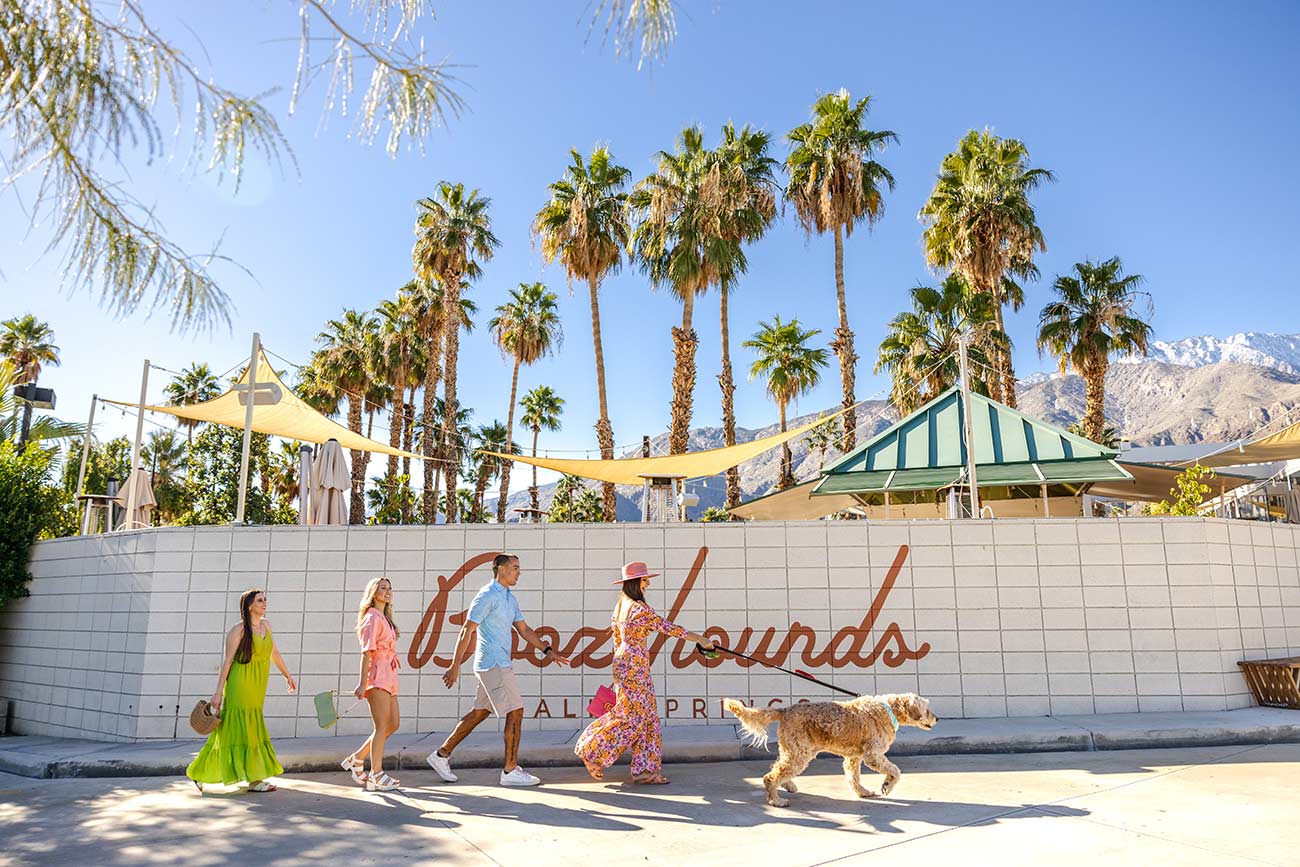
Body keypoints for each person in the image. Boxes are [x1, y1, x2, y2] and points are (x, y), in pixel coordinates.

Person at [427, 553, 571, 787]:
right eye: (515, 568)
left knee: (480, 713)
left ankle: (441, 755)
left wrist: (548, 651)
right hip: (493, 664)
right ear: (501, 569)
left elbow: (524, 630)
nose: (518, 572)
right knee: (516, 711)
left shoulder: (509, 598)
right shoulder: (486, 596)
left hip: (496, 664)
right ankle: (510, 770)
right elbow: (467, 630)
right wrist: (455, 666)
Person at [574, 561, 714, 785]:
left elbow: (616, 640)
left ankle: (644, 770)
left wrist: (620, 666)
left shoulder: (622, 606)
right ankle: (592, 751)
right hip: (635, 666)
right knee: (634, 718)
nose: (648, 583)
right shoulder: (640, 609)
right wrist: (701, 639)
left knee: (645, 718)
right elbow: (668, 628)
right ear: (635, 582)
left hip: (625, 663)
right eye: (645, 579)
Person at [187, 588, 297, 793]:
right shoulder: (238, 630)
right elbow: (227, 662)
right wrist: (218, 692)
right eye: (260, 600)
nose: (265, 603)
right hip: (240, 683)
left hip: (257, 684)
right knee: (235, 728)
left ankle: (252, 777)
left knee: (248, 726)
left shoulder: (266, 625)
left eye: (265, 600)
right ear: (249, 605)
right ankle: (249, 778)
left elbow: (274, 652)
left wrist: (287, 675)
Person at [341, 576, 403, 792]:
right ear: (373, 593)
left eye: (389, 587)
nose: (387, 591)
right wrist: (362, 683)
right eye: (382, 588)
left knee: (393, 723)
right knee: (381, 726)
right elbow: (366, 652)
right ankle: (376, 774)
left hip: (390, 673)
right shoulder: (371, 618)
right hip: (377, 674)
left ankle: (357, 758)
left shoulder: (384, 617)